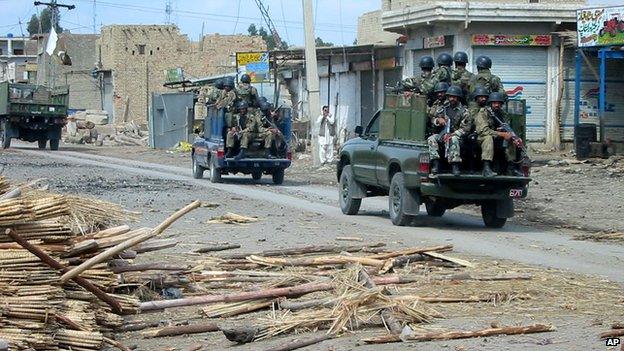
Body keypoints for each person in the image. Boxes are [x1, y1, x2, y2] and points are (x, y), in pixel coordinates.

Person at [475, 92, 523, 177]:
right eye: (494, 103)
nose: (497, 105)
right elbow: (483, 130)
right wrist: (501, 134)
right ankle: (486, 168)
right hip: (483, 138)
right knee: (488, 138)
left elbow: (508, 128)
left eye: (499, 103)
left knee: (510, 138)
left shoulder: (503, 114)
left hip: (498, 139)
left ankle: (511, 168)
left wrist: (515, 137)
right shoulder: (483, 112)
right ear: (490, 103)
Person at [427, 85, 472, 176]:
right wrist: (438, 121)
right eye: (450, 97)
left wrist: (453, 134)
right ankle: (435, 164)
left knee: (453, 139)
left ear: (458, 98)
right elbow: (433, 119)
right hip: (443, 133)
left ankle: (455, 165)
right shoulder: (443, 108)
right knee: (431, 139)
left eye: (454, 97)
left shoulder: (464, 111)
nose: (452, 99)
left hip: (458, 136)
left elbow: (466, 129)